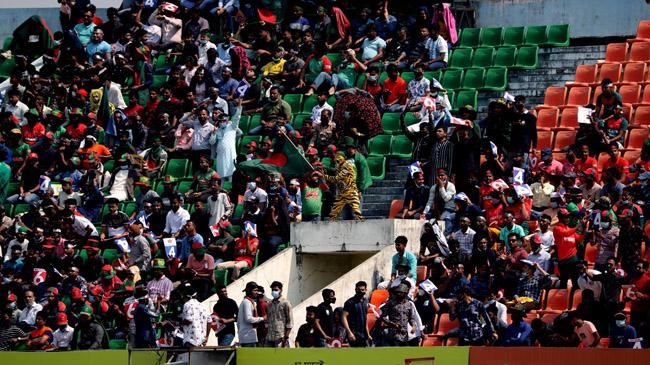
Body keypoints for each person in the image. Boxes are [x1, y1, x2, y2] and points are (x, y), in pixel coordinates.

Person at [341, 281, 371, 347]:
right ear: (355, 290)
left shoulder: (365, 301)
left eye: (362, 290)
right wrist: (349, 332)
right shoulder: (350, 302)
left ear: (366, 290)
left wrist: (368, 334)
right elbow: (343, 317)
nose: (360, 291)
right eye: (358, 290)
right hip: (354, 334)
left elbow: (365, 318)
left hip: (364, 335)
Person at [180, 282, 210, 347]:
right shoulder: (203, 305)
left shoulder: (187, 304)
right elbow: (209, 321)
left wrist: (180, 323)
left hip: (190, 340)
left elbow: (189, 320)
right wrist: (207, 336)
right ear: (196, 295)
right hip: (202, 341)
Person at [237, 281, 266, 347]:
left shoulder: (249, 302)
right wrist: (262, 318)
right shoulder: (247, 302)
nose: (257, 292)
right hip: (248, 337)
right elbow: (248, 318)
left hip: (248, 337)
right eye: (255, 290)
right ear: (249, 291)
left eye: (257, 290)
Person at [265, 281, 293, 348]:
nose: (274, 292)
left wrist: (286, 337)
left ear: (281, 290)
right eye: (272, 290)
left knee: (281, 357)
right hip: (270, 337)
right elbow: (268, 320)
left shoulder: (285, 303)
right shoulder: (270, 304)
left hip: (280, 337)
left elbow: (290, 322)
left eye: (276, 290)